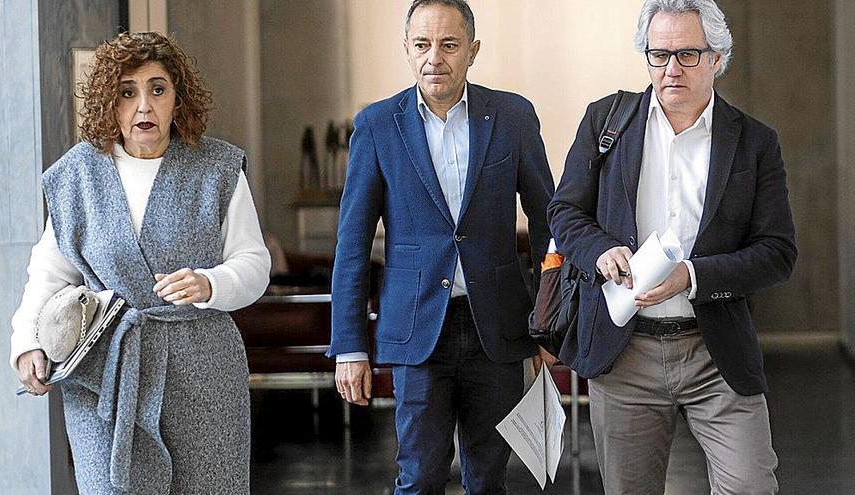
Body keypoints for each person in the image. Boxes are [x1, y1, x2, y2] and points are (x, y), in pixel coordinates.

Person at [549, 0, 797, 493]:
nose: (671, 69)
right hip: (625, 354)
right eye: (658, 55)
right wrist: (601, 249)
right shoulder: (607, 122)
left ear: (717, 59)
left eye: (687, 54)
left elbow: (777, 251)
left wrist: (694, 275)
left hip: (716, 352)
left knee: (751, 484)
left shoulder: (754, 142)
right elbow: (565, 211)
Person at [10, 32, 270, 494]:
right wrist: (26, 340)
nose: (144, 107)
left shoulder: (217, 168)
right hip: (107, 369)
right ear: (110, 102)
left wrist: (211, 283)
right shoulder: (77, 176)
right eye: (127, 92)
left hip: (202, 367)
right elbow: (49, 272)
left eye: (157, 89)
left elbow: (253, 263)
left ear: (178, 98)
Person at [327, 1, 554, 493]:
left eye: (449, 45)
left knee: (489, 478)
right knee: (419, 477)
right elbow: (353, 242)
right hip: (416, 329)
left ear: (472, 51)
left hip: (495, 327)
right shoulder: (377, 125)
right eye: (423, 45)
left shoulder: (513, 116)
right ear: (407, 51)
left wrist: (553, 321)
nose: (435, 58)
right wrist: (348, 344)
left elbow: (547, 226)